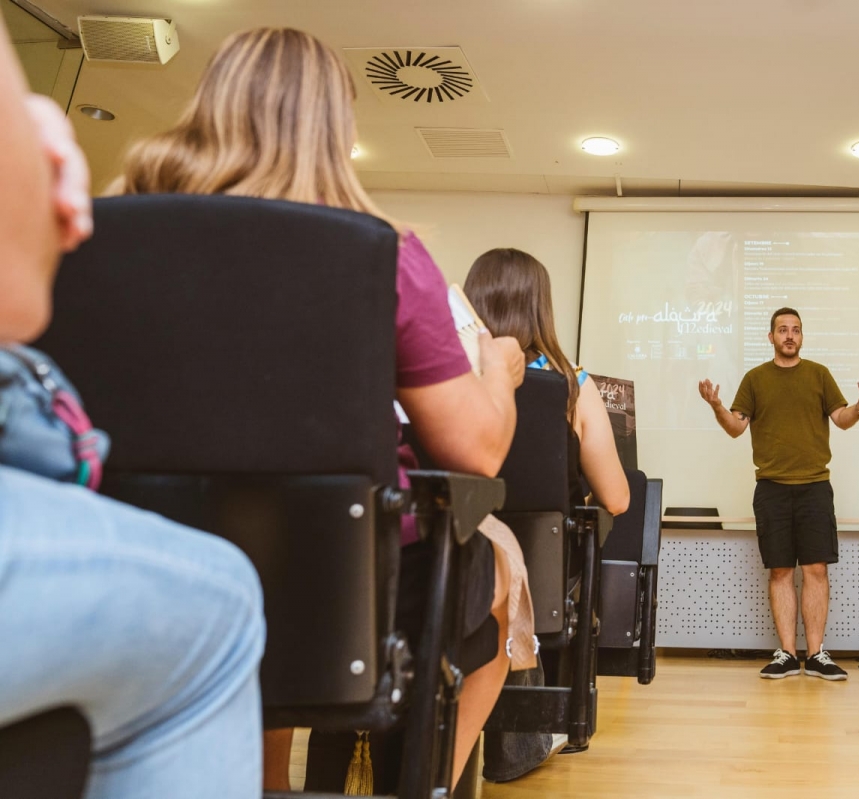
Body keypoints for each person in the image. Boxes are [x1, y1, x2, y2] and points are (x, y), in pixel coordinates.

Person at [110, 27, 535, 791]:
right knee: (501, 585)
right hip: (341, 598)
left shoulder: (104, 229)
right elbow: (475, 450)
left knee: (253, 556)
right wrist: (500, 371)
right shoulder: (381, 252)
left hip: (144, 573)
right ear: (336, 128)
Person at [0, 18, 267, 799]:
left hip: (122, 501)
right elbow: (15, 298)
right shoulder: (385, 252)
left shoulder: (120, 219)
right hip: (328, 568)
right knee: (219, 608)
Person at [464, 247, 629, 780]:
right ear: (541, 306)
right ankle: (520, 745)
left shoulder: (448, 377)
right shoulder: (571, 383)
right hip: (542, 571)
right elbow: (618, 499)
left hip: (457, 556)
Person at [698, 307, 859, 681]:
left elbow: (842, 420)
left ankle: (815, 655)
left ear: (801, 336)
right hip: (771, 489)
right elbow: (735, 427)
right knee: (780, 570)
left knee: (816, 569)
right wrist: (716, 405)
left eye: (796, 329)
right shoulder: (755, 378)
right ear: (771, 337)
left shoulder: (819, 374)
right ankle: (786, 654)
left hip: (815, 487)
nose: (790, 335)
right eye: (783, 329)